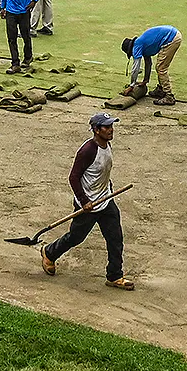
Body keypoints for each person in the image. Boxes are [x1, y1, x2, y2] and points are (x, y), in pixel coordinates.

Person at [41, 112, 134, 290]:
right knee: (76, 237)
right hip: (89, 204)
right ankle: (49, 252)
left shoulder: (107, 145)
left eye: (111, 126)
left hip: (105, 200)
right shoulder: (87, 150)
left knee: (115, 238)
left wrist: (109, 188)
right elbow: (73, 177)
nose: (111, 130)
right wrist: (84, 201)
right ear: (96, 129)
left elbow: (103, 172)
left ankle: (115, 275)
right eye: (106, 127)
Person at [123, 25, 183, 105]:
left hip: (171, 38)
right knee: (160, 67)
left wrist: (131, 85)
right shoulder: (143, 45)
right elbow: (148, 63)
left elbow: (135, 67)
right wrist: (145, 81)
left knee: (161, 68)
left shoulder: (137, 46)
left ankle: (169, 96)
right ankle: (161, 90)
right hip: (173, 34)